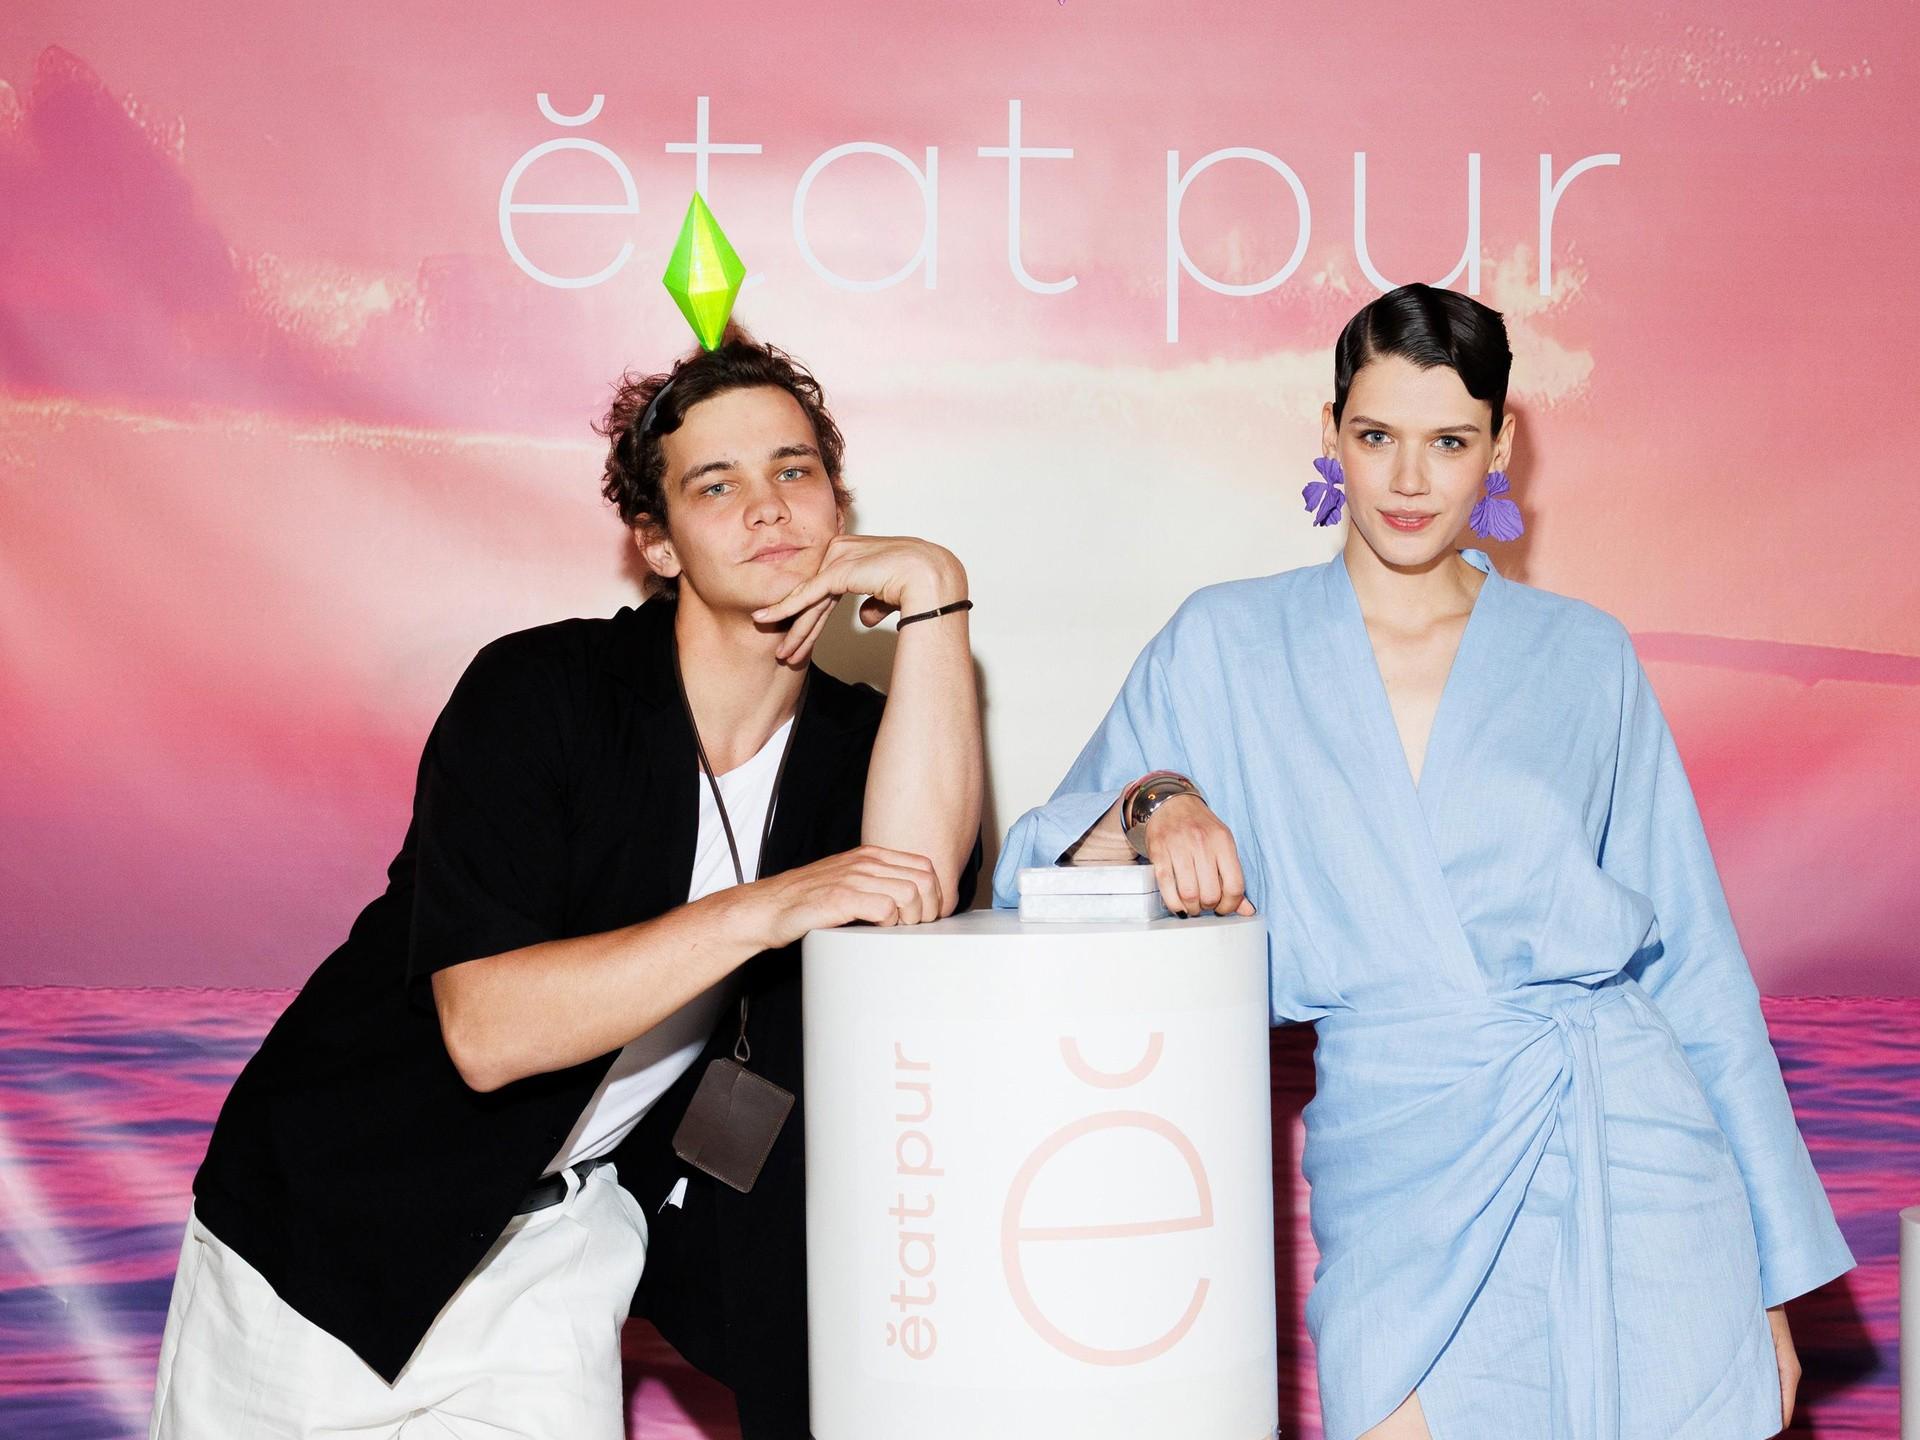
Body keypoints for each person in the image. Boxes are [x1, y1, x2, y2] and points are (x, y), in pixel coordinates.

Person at [993, 283, 1852, 1440]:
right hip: (1395, 1167)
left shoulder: (1584, 654)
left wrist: (1769, 1284)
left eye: (1449, 442)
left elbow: (1694, 972)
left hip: (1634, 1157)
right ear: (1330, 431)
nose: (1408, 480)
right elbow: (1031, 875)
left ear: (1500, 446)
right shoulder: (1227, 643)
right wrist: (1158, 801)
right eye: (1376, 436)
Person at [148, 330, 984, 1439]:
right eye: (716, 484)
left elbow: (914, 890)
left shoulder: (854, 747)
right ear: (659, 543)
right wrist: (763, 907)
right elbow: (488, 1032)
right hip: (330, 1242)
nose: (767, 507)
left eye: (795, 470)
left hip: (562, 1254)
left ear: (838, 504)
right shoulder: (542, 691)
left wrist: (934, 592)